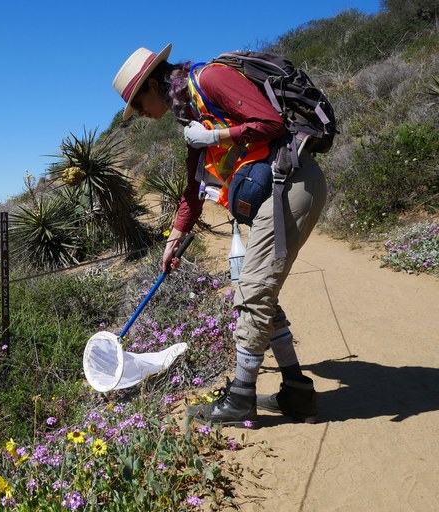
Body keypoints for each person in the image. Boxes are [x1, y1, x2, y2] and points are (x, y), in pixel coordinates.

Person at [112, 44, 327, 426]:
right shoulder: (189, 111)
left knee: (254, 292)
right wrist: (174, 238)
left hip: (292, 185)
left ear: (152, 85)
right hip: (272, 193)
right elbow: (193, 189)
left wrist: (216, 137)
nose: (142, 115)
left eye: (139, 105)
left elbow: (272, 123)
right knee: (256, 289)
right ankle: (297, 392)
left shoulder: (209, 79)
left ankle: (242, 397)